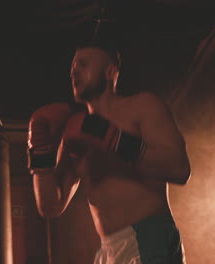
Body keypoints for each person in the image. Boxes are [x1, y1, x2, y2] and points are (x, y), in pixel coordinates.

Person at [27, 42, 191, 264]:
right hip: (108, 250)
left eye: (83, 64)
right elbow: (50, 206)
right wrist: (40, 152)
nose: (74, 71)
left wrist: (113, 138)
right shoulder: (75, 131)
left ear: (111, 71)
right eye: (73, 67)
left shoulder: (142, 107)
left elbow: (179, 168)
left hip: (150, 237)